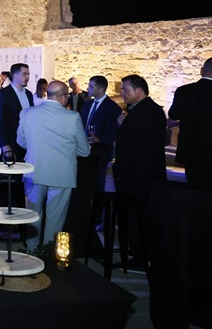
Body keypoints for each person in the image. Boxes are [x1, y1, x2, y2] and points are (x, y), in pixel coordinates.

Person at [17, 80, 91, 251]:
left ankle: (32, 250)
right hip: (62, 172)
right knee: (56, 217)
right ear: (62, 96)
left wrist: (37, 147)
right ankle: (48, 251)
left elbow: (21, 141)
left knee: (33, 213)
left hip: (35, 169)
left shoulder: (28, 113)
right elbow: (84, 151)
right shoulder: (72, 117)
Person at [114, 74, 167, 266]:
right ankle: (137, 251)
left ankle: (140, 254)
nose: (122, 93)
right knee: (136, 217)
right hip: (139, 175)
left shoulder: (146, 112)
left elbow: (137, 144)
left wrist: (122, 126)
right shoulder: (144, 110)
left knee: (140, 217)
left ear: (138, 91)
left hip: (140, 177)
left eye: (125, 89)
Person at [80, 75, 123, 229]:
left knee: (98, 185)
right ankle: (84, 215)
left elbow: (113, 133)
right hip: (84, 149)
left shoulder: (112, 107)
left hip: (101, 152)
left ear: (101, 88)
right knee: (84, 184)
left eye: (91, 86)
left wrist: (99, 139)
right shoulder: (87, 104)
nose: (88, 89)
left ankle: (96, 218)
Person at [168, 57, 212, 192]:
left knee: (194, 189)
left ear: (202, 70)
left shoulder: (183, 91)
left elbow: (173, 115)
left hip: (190, 150)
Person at [0, 63, 33, 162]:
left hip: (29, 144)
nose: (28, 77)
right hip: (12, 144)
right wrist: (4, 145)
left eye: (28, 74)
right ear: (15, 75)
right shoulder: (2, 95)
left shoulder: (29, 94)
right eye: (24, 74)